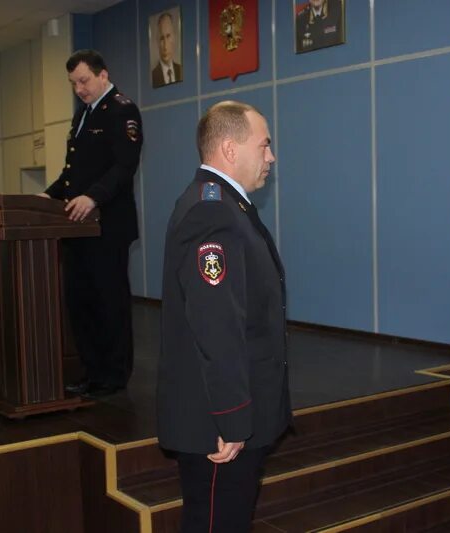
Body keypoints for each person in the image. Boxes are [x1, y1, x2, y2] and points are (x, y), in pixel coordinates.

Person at [157, 101, 292, 532]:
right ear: (231, 150)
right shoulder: (213, 212)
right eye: (264, 145)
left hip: (224, 418)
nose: (270, 156)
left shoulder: (224, 204)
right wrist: (234, 419)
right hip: (219, 427)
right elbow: (217, 325)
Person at [41, 49, 142, 398]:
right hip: (77, 228)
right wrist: (46, 197)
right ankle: (91, 370)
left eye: (83, 81)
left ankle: (113, 374)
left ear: (103, 74)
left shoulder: (122, 109)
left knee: (108, 301)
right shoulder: (82, 115)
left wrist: (93, 196)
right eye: (73, 84)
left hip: (106, 225)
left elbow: (123, 166)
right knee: (80, 301)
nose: (79, 89)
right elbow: (73, 174)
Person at [151, 11, 183, 88]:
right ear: (157, 41)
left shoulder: (180, 70)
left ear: (174, 37)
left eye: (168, 36)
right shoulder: (154, 75)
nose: (165, 45)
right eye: (162, 38)